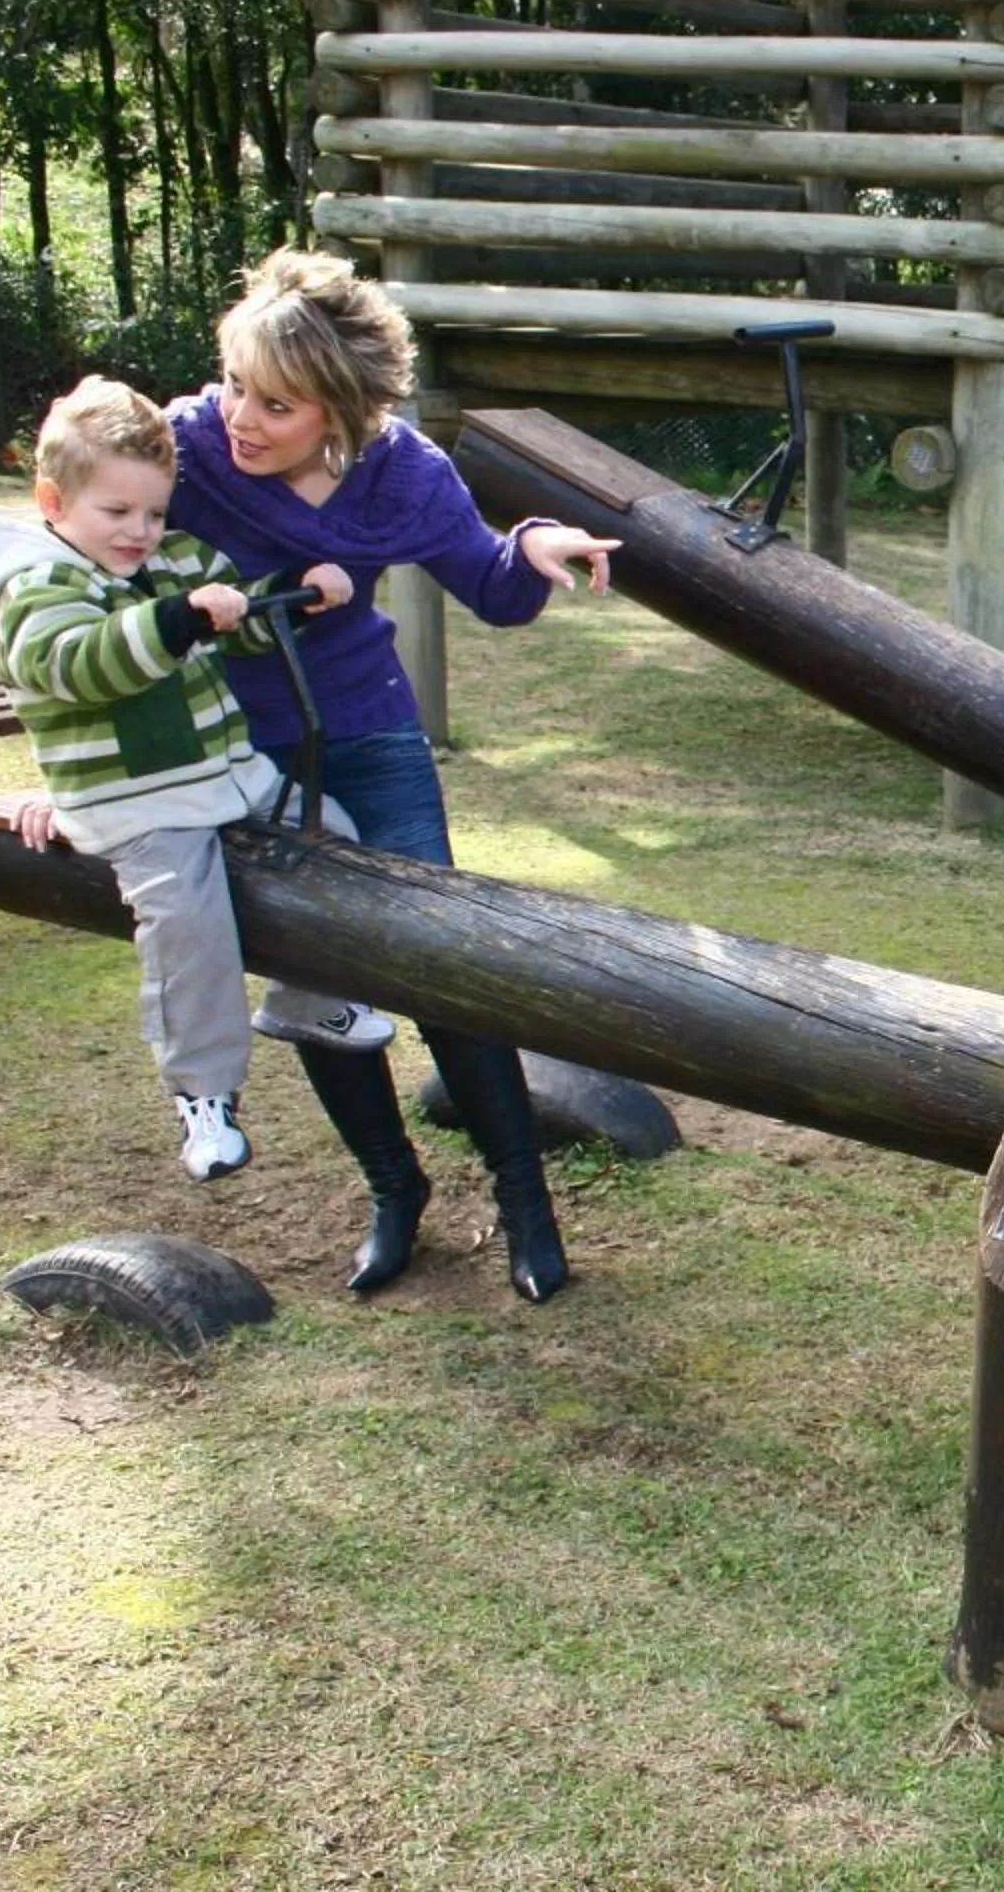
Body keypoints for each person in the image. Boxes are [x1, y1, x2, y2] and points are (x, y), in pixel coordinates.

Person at [163, 250, 620, 1302]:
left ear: (342, 410)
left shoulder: (401, 471)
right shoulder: (186, 447)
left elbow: (492, 585)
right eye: (235, 384)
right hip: (243, 756)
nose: (241, 417)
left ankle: (524, 1200)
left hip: (369, 736)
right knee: (317, 974)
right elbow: (89, 516)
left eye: (276, 404)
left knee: (439, 961)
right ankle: (394, 1190)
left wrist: (534, 544)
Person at [0, 375, 389, 1182]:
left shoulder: (176, 559)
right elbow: (79, 665)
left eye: (154, 513)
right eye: (117, 512)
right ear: (54, 502)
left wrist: (294, 599)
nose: (140, 531)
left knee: (333, 834)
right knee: (189, 930)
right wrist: (181, 618)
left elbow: (241, 619)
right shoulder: (39, 588)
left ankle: (304, 999)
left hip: (226, 775)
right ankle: (204, 1094)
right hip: (139, 803)